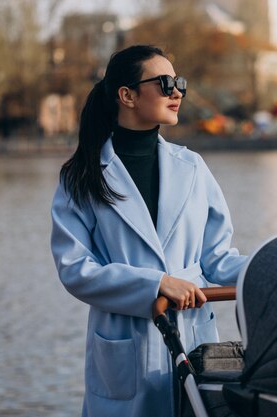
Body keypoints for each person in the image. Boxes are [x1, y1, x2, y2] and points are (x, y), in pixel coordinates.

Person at [50, 45, 247, 417]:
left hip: (194, 340)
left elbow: (218, 260)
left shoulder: (193, 167)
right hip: (126, 349)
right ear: (126, 95)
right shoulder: (81, 176)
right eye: (165, 83)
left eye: (180, 83)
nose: (177, 92)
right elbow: (75, 270)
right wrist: (155, 284)